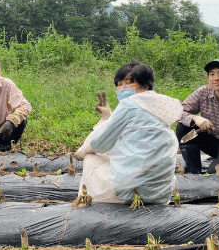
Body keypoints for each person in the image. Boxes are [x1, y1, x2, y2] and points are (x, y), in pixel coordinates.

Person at [74, 61, 182, 204]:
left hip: (129, 192)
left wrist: (82, 151)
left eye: (128, 82)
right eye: (119, 84)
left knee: (91, 158)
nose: (122, 88)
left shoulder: (129, 104)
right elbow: (132, 127)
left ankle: (86, 204)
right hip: (160, 196)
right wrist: (108, 117)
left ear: (144, 86)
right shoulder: (158, 107)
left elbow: (99, 143)